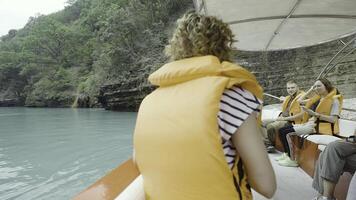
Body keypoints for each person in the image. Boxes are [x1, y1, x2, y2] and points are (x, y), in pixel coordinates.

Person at [133, 11, 276, 200]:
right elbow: (267, 186)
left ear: (176, 48)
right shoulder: (229, 96)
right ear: (224, 46)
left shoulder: (149, 102)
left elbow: (138, 160)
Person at [277, 78, 343, 167]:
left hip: (315, 128)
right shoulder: (318, 98)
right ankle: (287, 154)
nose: (316, 88)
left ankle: (291, 159)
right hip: (310, 124)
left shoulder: (334, 101)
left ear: (326, 86)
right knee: (282, 130)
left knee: (286, 132)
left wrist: (315, 114)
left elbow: (333, 119)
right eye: (315, 86)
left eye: (319, 86)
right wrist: (311, 89)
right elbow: (299, 101)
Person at [262, 80, 305, 152]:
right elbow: (288, 108)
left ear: (298, 87)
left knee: (271, 126)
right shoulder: (289, 97)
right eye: (288, 88)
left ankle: (271, 145)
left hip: (291, 121)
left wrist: (284, 119)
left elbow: (301, 115)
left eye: (292, 88)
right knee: (262, 122)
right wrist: (284, 100)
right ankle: (267, 143)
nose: (290, 90)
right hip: (283, 118)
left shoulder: (302, 97)